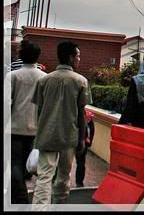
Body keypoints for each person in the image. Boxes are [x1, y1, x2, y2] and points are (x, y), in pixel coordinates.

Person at [32, 41, 90, 206]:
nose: (79, 59)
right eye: (78, 56)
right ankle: (59, 205)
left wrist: (38, 132)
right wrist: (81, 139)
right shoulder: (81, 82)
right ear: (71, 58)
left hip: (46, 135)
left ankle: (40, 208)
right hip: (68, 136)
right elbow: (81, 114)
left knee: (44, 176)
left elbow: (38, 110)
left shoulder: (45, 80)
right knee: (64, 176)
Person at [6, 40, 46, 203]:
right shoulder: (44, 77)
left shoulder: (13, 76)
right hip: (35, 128)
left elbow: (6, 102)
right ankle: (18, 193)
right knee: (27, 164)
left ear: (21, 56)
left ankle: (20, 197)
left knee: (14, 163)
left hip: (14, 127)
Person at [74, 109, 95, 187]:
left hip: (70, 139)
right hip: (83, 140)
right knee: (81, 162)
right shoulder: (87, 115)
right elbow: (92, 129)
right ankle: (79, 183)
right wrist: (89, 142)